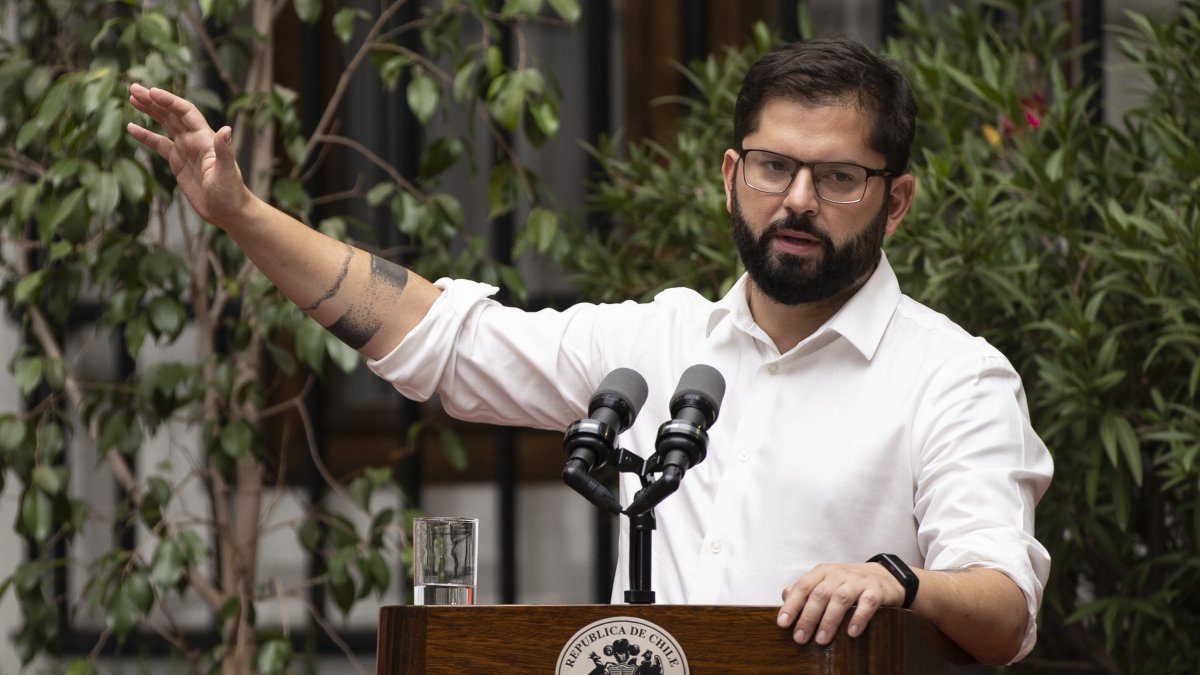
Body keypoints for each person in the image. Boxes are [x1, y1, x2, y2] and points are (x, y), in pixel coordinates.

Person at [127, 36, 1052, 665]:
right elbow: (443, 337)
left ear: (895, 202)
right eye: (775, 166)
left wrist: (894, 579)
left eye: (839, 177)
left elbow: (1004, 607)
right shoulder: (655, 343)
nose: (799, 199)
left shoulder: (953, 376)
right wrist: (242, 215)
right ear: (732, 176)